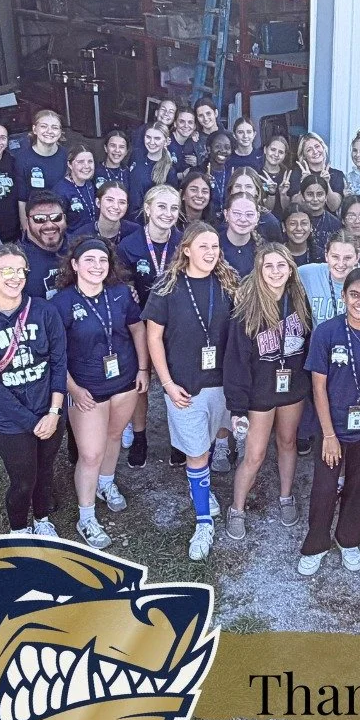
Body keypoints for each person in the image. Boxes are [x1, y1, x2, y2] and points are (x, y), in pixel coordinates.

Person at [144, 223, 239, 560]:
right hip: (185, 385)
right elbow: (153, 337)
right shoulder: (167, 287)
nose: (210, 252)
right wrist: (167, 384)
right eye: (203, 246)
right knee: (196, 451)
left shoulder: (227, 283)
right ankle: (203, 521)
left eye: (215, 246)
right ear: (185, 249)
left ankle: (204, 489)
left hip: (223, 383)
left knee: (212, 438)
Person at [300, 267, 360, 575]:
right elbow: (318, 387)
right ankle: (316, 543)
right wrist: (328, 434)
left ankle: (348, 540)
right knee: (325, 487)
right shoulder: (326, 332)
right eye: (354, 295)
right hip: (334, 425)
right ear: (344, 296)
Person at [0, 244, 66, 536]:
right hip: (9, 418)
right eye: (7, 270)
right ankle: (19, 529)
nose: (15, 276)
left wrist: (54, 412)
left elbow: (59, 363)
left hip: (50, 410)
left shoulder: (44, 311)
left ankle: (43, 520)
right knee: (23, 479)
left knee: (45, 472)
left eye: (20, 270)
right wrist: (33, 423)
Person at [51, 237, 147, 550]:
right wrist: (73, 388)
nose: (97, 266)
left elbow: (136, 329)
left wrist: (143, 369)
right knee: (90, 453)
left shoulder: (120, 294)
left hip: (125, 380)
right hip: (86, 388)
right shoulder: (61, 303)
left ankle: (106, 484)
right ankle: (87, 516)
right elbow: (55, 353)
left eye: (102, 260)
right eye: (89, 260)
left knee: (114, 436)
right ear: (74, 265)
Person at [223, 243, 313, 539]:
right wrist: (237, 407)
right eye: (268, 266)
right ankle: (237, 508)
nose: (275, 272)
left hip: (292, 389)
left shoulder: (299, 302)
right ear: (259, 271)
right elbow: (236, 362)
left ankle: (286, 496)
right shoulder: (247, 308)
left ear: (290, 270)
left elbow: (309, 345)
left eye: (281, 266)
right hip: (259, 393)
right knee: (255, 453)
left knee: (288, 442)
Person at [117, 183, 182, 469]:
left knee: (177, 381)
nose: (168, 213)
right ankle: (140, 435)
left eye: (174, 208)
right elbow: (121, 282)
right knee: (140, 381)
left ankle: (179, 440)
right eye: (162, 206)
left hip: (176, 324)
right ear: (147, 209)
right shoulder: (129, 245)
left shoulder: (183, 242)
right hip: (141, 323)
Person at [14, 109, 68, 233]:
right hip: (37, 220)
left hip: (60, 217)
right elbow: (22, 199)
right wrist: (26, 229)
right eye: (44, 126)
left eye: (54, 127)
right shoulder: (23, 159)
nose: (49, 131)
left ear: (60, 132)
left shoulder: (66, 156)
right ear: (34, 129)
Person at [20, 191, 67, 301]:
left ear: (65, 218)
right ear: (27, 222)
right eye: (39, 219)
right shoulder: (16, 259)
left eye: (56, 218)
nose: (49, 225)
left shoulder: (80, 248)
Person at [129, 123, 176, 213]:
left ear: (165, 142)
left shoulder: (169, 171)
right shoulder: (136, 155)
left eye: (157, 138)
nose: (151, 142)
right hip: (127, 213)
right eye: (148, 137)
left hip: (145, 217)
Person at [76, 181, 139, 248]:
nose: (116, 206)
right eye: (110, 200)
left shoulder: (136, 233)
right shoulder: (81, 235)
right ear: (98, 203)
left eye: (122, 202)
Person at [53, 144, 98, 234]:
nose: (86, 166)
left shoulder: (89, 185)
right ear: (70, 164)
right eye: (80, 162)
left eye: (90, 161)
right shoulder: (60, 191)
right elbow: (57, 225)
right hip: (73, 242)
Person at [227, 168, 283, 241]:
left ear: (257, 191)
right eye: (238, 186)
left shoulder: (270, 222)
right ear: (231, 190)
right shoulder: (222, 217)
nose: (243, 190)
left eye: (248, 187)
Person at [219, 191, 262, 278]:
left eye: (249, 214)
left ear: (257, 217)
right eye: (237, 213)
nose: (243, 219)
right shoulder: (214, 246)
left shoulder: (264, 249)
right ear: (226, 214)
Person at [299, 172, 342, 240]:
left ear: (326, 197)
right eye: (310, 194)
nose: (315, 199)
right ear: (303, 197)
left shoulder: (335, 223)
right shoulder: (296, 221)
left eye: (319, 194)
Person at [282, 202, 324, 266]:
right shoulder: (278, 255)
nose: (299, 228)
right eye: (293, 223)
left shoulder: (321, 256)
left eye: (304, 223)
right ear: (284, 226)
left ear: (311, 226)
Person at [260, 133, 292, 214]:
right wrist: (271, 193)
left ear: (285, 155)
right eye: (273, 150)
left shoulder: (288, 175)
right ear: (265, 150)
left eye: (281, 152)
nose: (276, 154)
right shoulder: (257, 173)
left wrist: (283, 194)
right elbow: (266, 210)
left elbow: (288, 210)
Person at [169, 106, 206, 174]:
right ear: (175, 123)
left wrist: (197, 163)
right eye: (182, 121)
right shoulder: (166, 142)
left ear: (194, 126)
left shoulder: (196, 143)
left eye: (190, 122)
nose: (186, 125)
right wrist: (181, 175)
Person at [205, 129, 234, 215]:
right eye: (218, 146)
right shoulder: (198, 172)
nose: (223, 150)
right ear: (209, 149)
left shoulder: (233, 174)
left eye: (227, 147)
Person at [94, 129, 132, 193]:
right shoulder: (95, 172)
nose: (117, 150)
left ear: (126, 152)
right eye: (113, 146)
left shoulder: (128, 173)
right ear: (106, 148)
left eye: (121, 147)